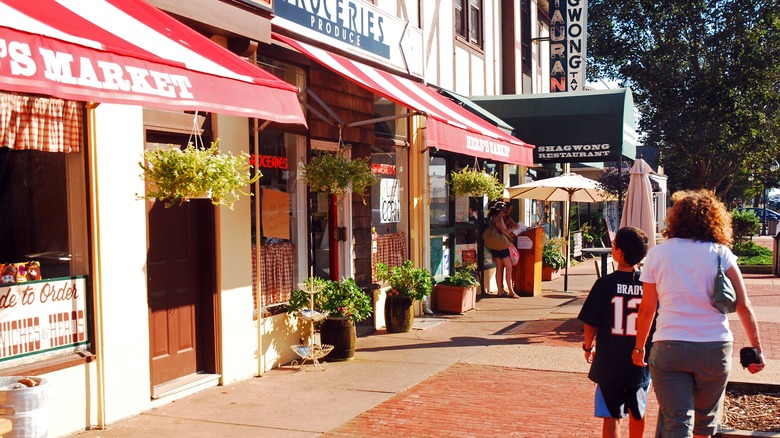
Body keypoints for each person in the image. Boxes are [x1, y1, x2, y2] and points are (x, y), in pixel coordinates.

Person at [633, 189, 765, 437]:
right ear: (714, 219)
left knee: (676, 422)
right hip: (714, 348)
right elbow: (744, 305)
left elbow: (647, 308)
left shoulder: (657, 255)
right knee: (705, 424)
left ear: (675, 218)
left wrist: (639, 347)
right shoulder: (721, 254)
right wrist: (757, 348)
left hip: (669, 346)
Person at [578, 226, 651, 438]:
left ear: (619, 252)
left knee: (612, 415)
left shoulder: (604, 284)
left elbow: (590, 323)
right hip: (639, 360)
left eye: (614, 244)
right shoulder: (649, 285)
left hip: (609, 361)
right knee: (638, 411)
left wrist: (587, 346)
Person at [486, 201, 519, 298]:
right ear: (500, 211)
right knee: (509, 268)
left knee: (499, 268)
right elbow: (505, 231)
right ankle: (511, 291)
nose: (505, 213)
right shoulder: (500, 218)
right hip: (502, 246)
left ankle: (500, 290)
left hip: (495, 246)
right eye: (504, 212)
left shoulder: (492, 218)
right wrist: (514, 228)